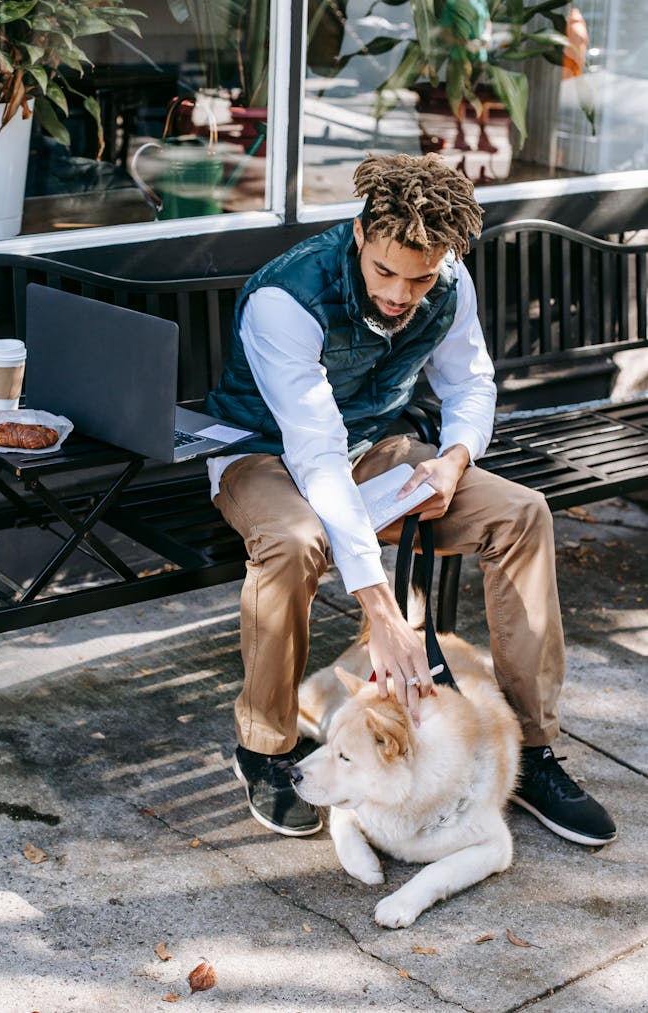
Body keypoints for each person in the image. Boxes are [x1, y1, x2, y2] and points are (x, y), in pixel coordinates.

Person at [205, 153, 616, 848]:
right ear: (362, 233)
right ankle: (265, 748)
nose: (400, 294)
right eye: (386, 272)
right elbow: (315, 454)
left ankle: (533, 747)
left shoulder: (448, 283)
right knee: (295, 538)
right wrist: (381, 610)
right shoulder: (288, 298)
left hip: (372, 446)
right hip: (264, 451)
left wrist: (454, 460)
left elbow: (471, 383)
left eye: (419, 278)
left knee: (522, 513)